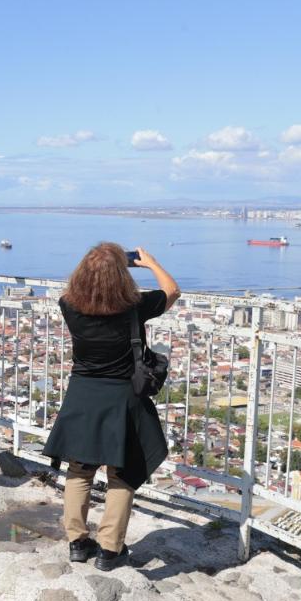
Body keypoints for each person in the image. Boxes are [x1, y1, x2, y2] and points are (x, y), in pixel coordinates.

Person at [42, 243, 179, 571]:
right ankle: (109, 549)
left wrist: (104, 271)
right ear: (121, 275)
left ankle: (77, 542)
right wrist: (149, 262)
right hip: (122, 398)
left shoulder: (69, 305)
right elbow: (172, 291)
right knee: (122, 473)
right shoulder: (135, 307)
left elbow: (81, 291)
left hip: (83, 395)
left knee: (80, 469)